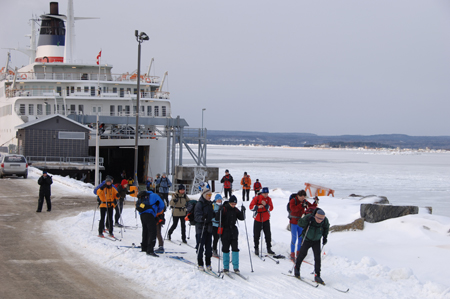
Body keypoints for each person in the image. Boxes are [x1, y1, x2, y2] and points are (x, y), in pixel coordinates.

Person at [294, 208, 330, 284]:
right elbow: (300, 223)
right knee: (302, 254)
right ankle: (296, 268)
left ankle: (317, 275)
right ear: (315, 216)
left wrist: (325, 237)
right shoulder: (309, 217)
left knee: (317, 257)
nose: (320, 220)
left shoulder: (325, 221)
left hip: (317, 240)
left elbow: (326, 228)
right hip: (307, 239)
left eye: (322, 219)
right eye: (319, 218)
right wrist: (307, 220)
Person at [216, 195, 245, 273]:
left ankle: (236, 267)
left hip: (234, 232)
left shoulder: (235, 210)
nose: (233, 205)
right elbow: (217, 218)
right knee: (225, 249)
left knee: (235, 249)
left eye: (235, 204)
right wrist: (220, 211)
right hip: (225, 231)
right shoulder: (224, 208)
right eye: (232, 204)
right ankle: (226, 267)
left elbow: (242, 218)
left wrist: (243, 211)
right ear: (229, 203)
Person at [289, 190, 318, 261]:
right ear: (298, 196)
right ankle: (292, 253)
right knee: (294, 238)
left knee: (301, 238)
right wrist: (301, 205)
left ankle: (298, 252)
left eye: (304, 196)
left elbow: (311, 207)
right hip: (293, 222)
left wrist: (315, 202)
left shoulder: (304, 201)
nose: (303, 198)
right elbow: (293, 209)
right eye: (301, 196)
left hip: (301, 222)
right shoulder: (293, 201)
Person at [137, 190, 165, 257]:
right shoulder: (155, 195)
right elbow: (162, 205)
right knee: (152, 232)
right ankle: (150, 250)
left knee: (145, 231)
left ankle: (144, 247)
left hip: (142, 215)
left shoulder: (143, 196)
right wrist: (157, 212)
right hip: (150, 214)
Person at [249, 187, 274, 255]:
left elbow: (271, 208)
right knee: (256, 235)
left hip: (266, 219)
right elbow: (251, 207)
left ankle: (269, 248)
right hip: (257, 219)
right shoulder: (256, 198)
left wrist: (266, 205)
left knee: (268, 234)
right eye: (264, 193)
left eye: (267, 193)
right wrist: (257, 207)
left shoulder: (269, 199)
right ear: (262, 193)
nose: (266, 195)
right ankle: (256, 248)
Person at [194, 188, 215, 271]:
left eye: (210, 195)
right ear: (204, 195)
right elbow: (196, 216)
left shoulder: (210, 204)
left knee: (209, 247)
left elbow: (211, 214)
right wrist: (202, 218)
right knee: (200, 246)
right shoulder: (199, 204)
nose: (210, 197)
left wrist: (216, 214)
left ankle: (208, 263)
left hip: (209, 227)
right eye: (208, 195)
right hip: (200, 228)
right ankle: (200, 263)